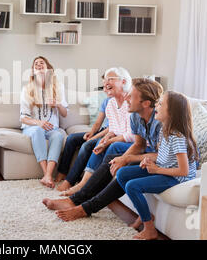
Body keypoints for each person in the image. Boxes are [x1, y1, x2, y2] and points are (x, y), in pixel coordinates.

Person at [42, 78, 163, 226]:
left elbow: (163, 156)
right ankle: (74, 200)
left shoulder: (160, 121)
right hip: (150, 154)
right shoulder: (136, 117)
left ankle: (83, 208)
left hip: (164, 161)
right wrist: (122, 159)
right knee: (113, 159)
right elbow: (139, 144)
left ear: (145, 103)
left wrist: (125, 159)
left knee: (122, 171)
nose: (126, 98)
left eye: (131, 96)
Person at [116, 91, 198, 239]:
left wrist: (157, 169)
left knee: (132, 186)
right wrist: (149, 161)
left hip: (176, 178)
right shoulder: (164, 131)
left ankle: (149, 228)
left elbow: (184, 171)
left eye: (160, 104)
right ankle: (144, 214)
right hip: (163, 170)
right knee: (122, 174)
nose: (156, 106)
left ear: (172, 112)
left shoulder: (177, 137)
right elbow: (163, 156)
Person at [59, 67, 134, 196]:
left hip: (130, 139)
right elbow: (114, 128)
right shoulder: (110, 104)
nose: (106, 84)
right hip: (114, 134)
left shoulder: (132, 103)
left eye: (110, 79)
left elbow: (130, 134)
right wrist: (105, 137)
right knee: (98, 143)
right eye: (104, 82)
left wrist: (106, 140)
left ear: (123, 81)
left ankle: (85, 185)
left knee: (104, 144)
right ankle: (79, 182)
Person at [55, 74, 111, 191]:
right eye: (104, 86)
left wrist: (94, 137)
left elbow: (113, 128)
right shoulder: (106, 101)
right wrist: (91, 133)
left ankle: (70, 181)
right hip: (102, 131)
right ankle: (62, 172)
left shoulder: (122, 102)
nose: (105, 89)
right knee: (71, 139)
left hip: (110, 133)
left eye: (108, 86)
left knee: (87, 146)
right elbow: (98, 123)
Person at [20, 56, 68, 188]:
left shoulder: (58, 87)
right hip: (32, 127)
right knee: (37, 130)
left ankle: (48, 175)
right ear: (33, 71)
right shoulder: (27, 89)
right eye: (36, 64)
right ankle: (46, 173)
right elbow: (23, 118)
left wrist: (57, 104)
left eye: (42, 63)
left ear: (49, 69)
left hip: (52, 129)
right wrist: (38, 123)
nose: (39, 65)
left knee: (58, 135)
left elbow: (64, 113)